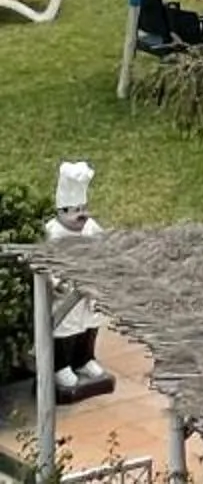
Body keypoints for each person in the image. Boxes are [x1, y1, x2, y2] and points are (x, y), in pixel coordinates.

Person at [42, 160, 113, 402]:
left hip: (89, 288)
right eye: (75, 210)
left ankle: (85, 359)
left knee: (91, 323)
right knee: (65, 327)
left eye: (83, 207)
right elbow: (46, 262)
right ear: (62, 211)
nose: (82, 214)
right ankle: (61, 366)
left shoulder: (90, 227)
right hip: (66, 291)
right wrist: (56, 283)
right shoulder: (52, 232)